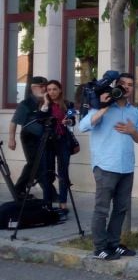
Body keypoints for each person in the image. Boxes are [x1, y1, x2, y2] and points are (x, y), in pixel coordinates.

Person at [79, 73, 138, 260]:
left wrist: (133, 131)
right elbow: (83, 126)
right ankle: (100, 247)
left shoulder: (134, 111)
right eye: (123, 84)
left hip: (126, 167)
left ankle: (114, 244)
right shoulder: (101, 106)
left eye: (130, 85)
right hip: (106, 166)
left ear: (133, 89)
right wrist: (104, 106)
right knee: (102, 209)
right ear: (117, 86)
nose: (126, 87)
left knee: (121, 209)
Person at [7, 76, 55, 203]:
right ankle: (48, 192)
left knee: (40, 164)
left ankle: (20, 190)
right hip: (30, 137)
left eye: (46, 86)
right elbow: (14, 122)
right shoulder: (26, 104)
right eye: (42, 86)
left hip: (45, 137)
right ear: (33, 88)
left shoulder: (48, 101)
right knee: (34, 163)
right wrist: (11, 139)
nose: (45, 89)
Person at [40, 79, 80, 218]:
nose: (51, 92)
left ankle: (63, 203)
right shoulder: (44, 104)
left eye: (54, 89)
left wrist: (69, 121)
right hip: (48, 142)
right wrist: (45, 102)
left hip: (63, 141)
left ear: (60, 90)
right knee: (47, 173)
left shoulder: (68, 104)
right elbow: (40, 118)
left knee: (63, 173)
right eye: (49, 90)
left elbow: (73, 120)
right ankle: (47, 203)